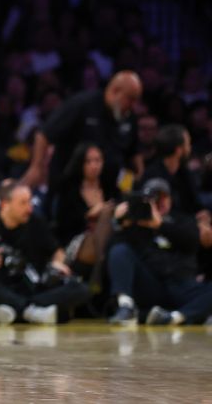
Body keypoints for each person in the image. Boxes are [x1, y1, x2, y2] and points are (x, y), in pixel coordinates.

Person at [0, 181, 91, 325]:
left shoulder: (36, 223)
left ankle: (12, 310)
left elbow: (58, 252)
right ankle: (29, 311)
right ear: (5, 204)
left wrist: (57, 263)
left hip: (32, 289)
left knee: (81, 289)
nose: (29, 208)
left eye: (30, 202)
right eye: (23, 203)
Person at [107, 178, 212, 325]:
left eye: (164, 196)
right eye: (154, 197)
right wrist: (118, 223)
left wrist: (160, 225)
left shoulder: (182, 220)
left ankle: (175, 317)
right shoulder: (136, 226)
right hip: (152, 285)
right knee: (120, 250)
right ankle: (126, 307)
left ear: (170, 198)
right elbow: (112, 253)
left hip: (182, 286)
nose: (160, 201)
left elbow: (192, 242)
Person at [22, 71, 143, 192]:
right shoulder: (82, 104)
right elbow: (44, 134)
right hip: (71, 186)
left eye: (136, 100)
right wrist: (36, 167)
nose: (133, 105)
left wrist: (139, 173)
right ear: (115, 91)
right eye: (131, 99)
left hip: (110, 188)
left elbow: (134, 150)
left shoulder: (129, 116)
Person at [53, 143, 118, 286]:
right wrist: (88, 215)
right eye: (89, 161)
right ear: (80, 163)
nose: (94, 165)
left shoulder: (109, 187)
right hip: (77, 242)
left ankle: (98, 270)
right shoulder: (68, 189)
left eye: (98, 160)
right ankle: (99, 274)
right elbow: (63, 224)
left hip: (109, 239)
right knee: (106, 212)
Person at [141, 124, 205, 216]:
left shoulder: (184, 173)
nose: (190, 148)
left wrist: (202, 213)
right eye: (188, 144)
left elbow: (195, 204)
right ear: (178, 150)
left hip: (186, 223)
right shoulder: (152, 176)